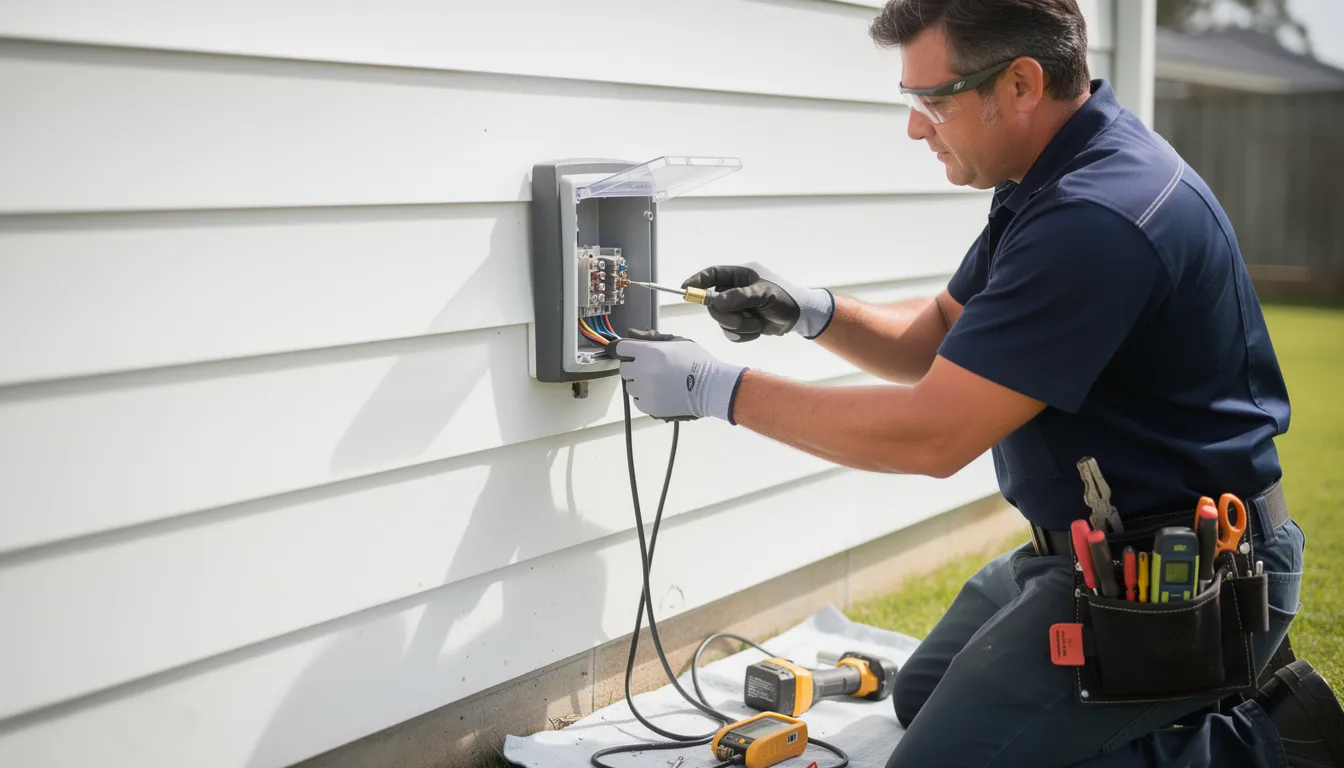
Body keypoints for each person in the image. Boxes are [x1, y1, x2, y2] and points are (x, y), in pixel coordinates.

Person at [608, 0, 1344, 766]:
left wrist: (716, 390)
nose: (916, 127)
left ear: (1021, 84)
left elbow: (931, 435)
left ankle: (1273, 741)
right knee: (917, 694)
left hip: (1186, 579)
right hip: (1093, 553)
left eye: (933, 100)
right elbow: (939, 333)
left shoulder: (1098, 219)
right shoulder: (1048, 174)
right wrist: (805, 311)